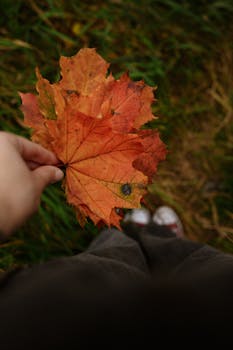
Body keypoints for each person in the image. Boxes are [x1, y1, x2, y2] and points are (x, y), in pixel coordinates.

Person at [0, 131, 233, 348]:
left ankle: (128, 233)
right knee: (195, 264)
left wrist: (4, 207)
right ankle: (159, 236)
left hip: (48, 321)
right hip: (215, 313)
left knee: (104, 264)